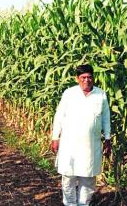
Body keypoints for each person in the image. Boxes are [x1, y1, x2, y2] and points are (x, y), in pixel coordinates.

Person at [51, 64, 111, 206]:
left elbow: (105, 118)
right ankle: (70, 203)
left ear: (93, 78)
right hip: (69, 143)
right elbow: (59, 116)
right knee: (68, 176)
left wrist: (108, 139)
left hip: (91, 145)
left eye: (89, 77)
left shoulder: (100, 94)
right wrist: (55, 137)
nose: (86, 80)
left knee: (88, 178)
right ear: (77, 79)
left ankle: (84, 204)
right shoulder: (69, 94)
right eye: (83, 77)